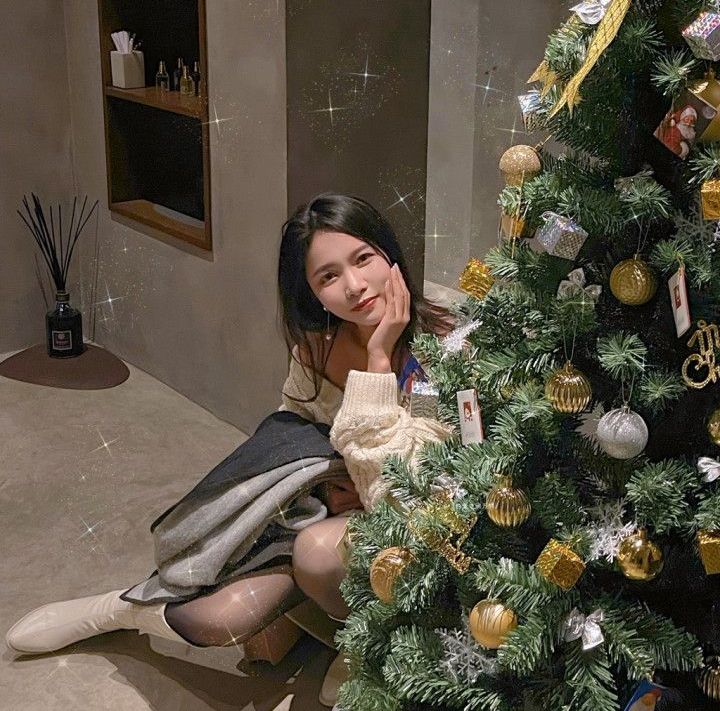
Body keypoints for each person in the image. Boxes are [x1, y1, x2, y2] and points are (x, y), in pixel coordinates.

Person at [5, 193, 454, 690]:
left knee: (316, 555)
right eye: (328, 276)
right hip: (318, 509)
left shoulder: (440, 351)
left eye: (363, 258)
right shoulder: (317, 348)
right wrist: (321, 486)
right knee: (221, 618)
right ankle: (117, 610)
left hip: (402, 530)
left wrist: (379, 358)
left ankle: (362, 639)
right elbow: (292, 431)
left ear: (388, 252)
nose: (354, 286)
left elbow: (410, 489)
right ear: (312, 292)